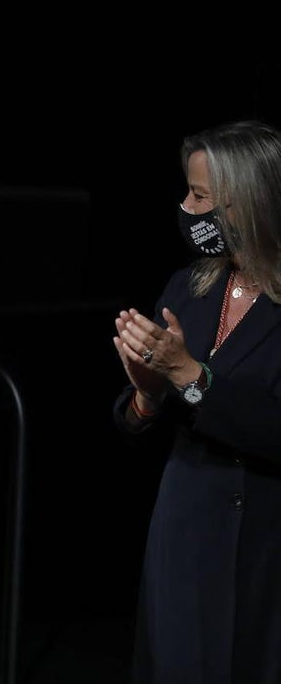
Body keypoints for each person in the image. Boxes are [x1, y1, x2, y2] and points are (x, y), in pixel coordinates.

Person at [111, 119, 281, 684]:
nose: (186, 207)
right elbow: (141, 426)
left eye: (201, 196)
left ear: (248, 203)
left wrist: (190, 374)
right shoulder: (191, 285)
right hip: (185, 527)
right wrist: (146, 395)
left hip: (265, 540)